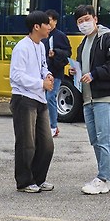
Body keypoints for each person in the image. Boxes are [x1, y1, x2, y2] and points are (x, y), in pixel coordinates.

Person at [74, 4, 110, 195]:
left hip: (105, 94)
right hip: (88, 97)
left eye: (87, 19)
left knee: (104, 138)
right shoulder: (83, 43)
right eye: (80, 21)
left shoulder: (108, 37)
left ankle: (102, 178)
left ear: (95, 18)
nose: (84, 24)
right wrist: (77, 70)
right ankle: (107, 178)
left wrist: (95, 74)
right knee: (95, 139)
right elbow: (84, 65)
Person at [9, 11, 56, 193]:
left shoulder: (41, 46)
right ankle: (24, 181)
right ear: (37, 27)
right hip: (24, 99)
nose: (50, 27)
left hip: (39, 98)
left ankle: (38, 178)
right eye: (47, 24)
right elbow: (16, 75)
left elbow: (42, 66)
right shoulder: (22, 47)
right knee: (26, 143)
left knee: (46, 144)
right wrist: (40, 83)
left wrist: (47, 75)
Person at [43, 10, 71, 138]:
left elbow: (67, 52)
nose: (47, 24)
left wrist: (56, 53)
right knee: (43, 99)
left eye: (49, 20)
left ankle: (53, 126)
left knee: (51, 97)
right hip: (43, 72)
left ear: (55, 21)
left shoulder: (60, 36)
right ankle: (45, 125)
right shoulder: (42, 35)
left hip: (56, 72)